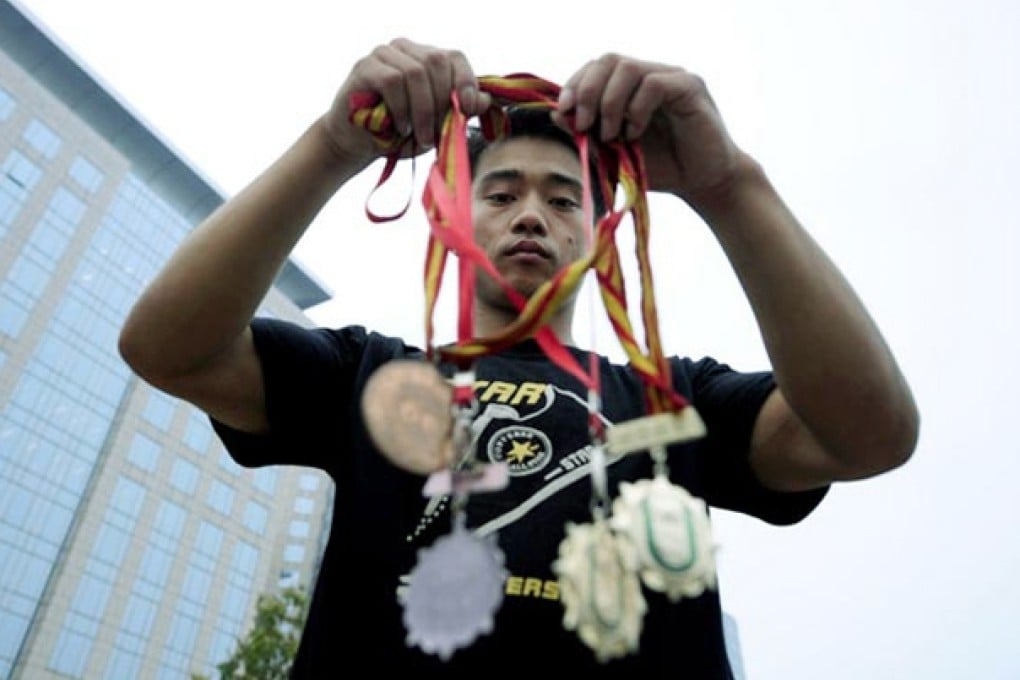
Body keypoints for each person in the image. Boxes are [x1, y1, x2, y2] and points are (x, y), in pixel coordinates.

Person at [118, 38, 919, 677]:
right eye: (500, 194)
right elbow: (167, 348)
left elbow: (869, 436)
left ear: (599, 231)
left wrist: (729, 184)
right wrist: (333, 145)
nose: (531, 213)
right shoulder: (371, 375)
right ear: (451, 221)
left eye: (563, 198)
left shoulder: (678, 398)